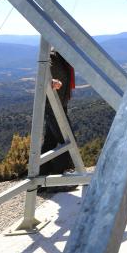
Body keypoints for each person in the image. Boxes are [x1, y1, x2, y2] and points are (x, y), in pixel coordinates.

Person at [39, 49, 76, 178]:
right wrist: (51, 81)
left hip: (60, 104)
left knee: (50, 141)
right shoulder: (52, 56)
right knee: (68, 141)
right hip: (52, 106)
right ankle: (58, 178)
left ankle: (41, 177)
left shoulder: (65, 59)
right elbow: (42, 73)